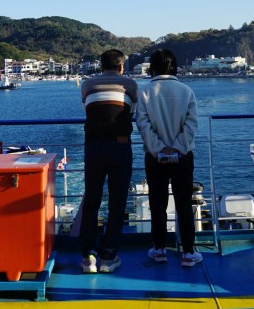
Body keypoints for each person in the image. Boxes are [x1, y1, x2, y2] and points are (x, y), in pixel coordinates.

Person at [135, 49, 202, 267]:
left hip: (155, 158)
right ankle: (189, 251)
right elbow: (192, 124)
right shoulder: (186, 91)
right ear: (174, 67)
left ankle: (159, 248)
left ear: (152, 67)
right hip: (183, 157)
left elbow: (142, 124)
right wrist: (178, 148)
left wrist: (159, 150)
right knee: (184, 203)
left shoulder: (145, 92)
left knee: (157, 203)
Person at [78, 49, 138, 273]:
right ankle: (109, 255)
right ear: (122, 66)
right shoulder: (130, 85)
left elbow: (88, 110)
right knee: (117, 201)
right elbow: (131, 112)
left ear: (100, 65)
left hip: (93, 145)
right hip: (120, 145)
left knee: (92, 199)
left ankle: (88, 257)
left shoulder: (87, 84)